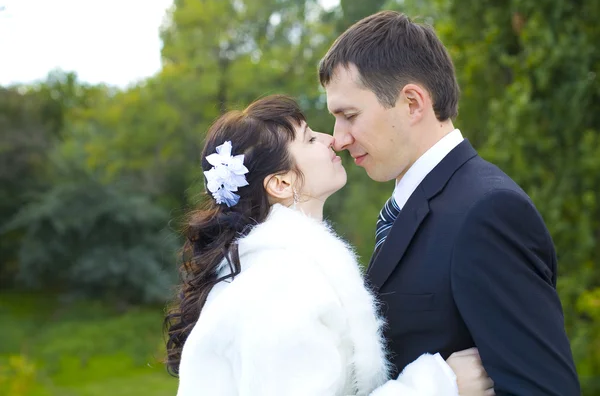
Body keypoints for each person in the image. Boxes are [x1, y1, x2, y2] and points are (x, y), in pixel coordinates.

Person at [318, 10, 580, 396]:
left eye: (350, 115)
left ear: (412, 103)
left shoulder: (488, 213)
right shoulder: (411, 206)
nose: (338, 139)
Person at [164, 95, 495, 395]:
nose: (331, 140)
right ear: (281, 183)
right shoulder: (278, 287)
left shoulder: (282, 271)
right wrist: (439, 384)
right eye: (309, 138)